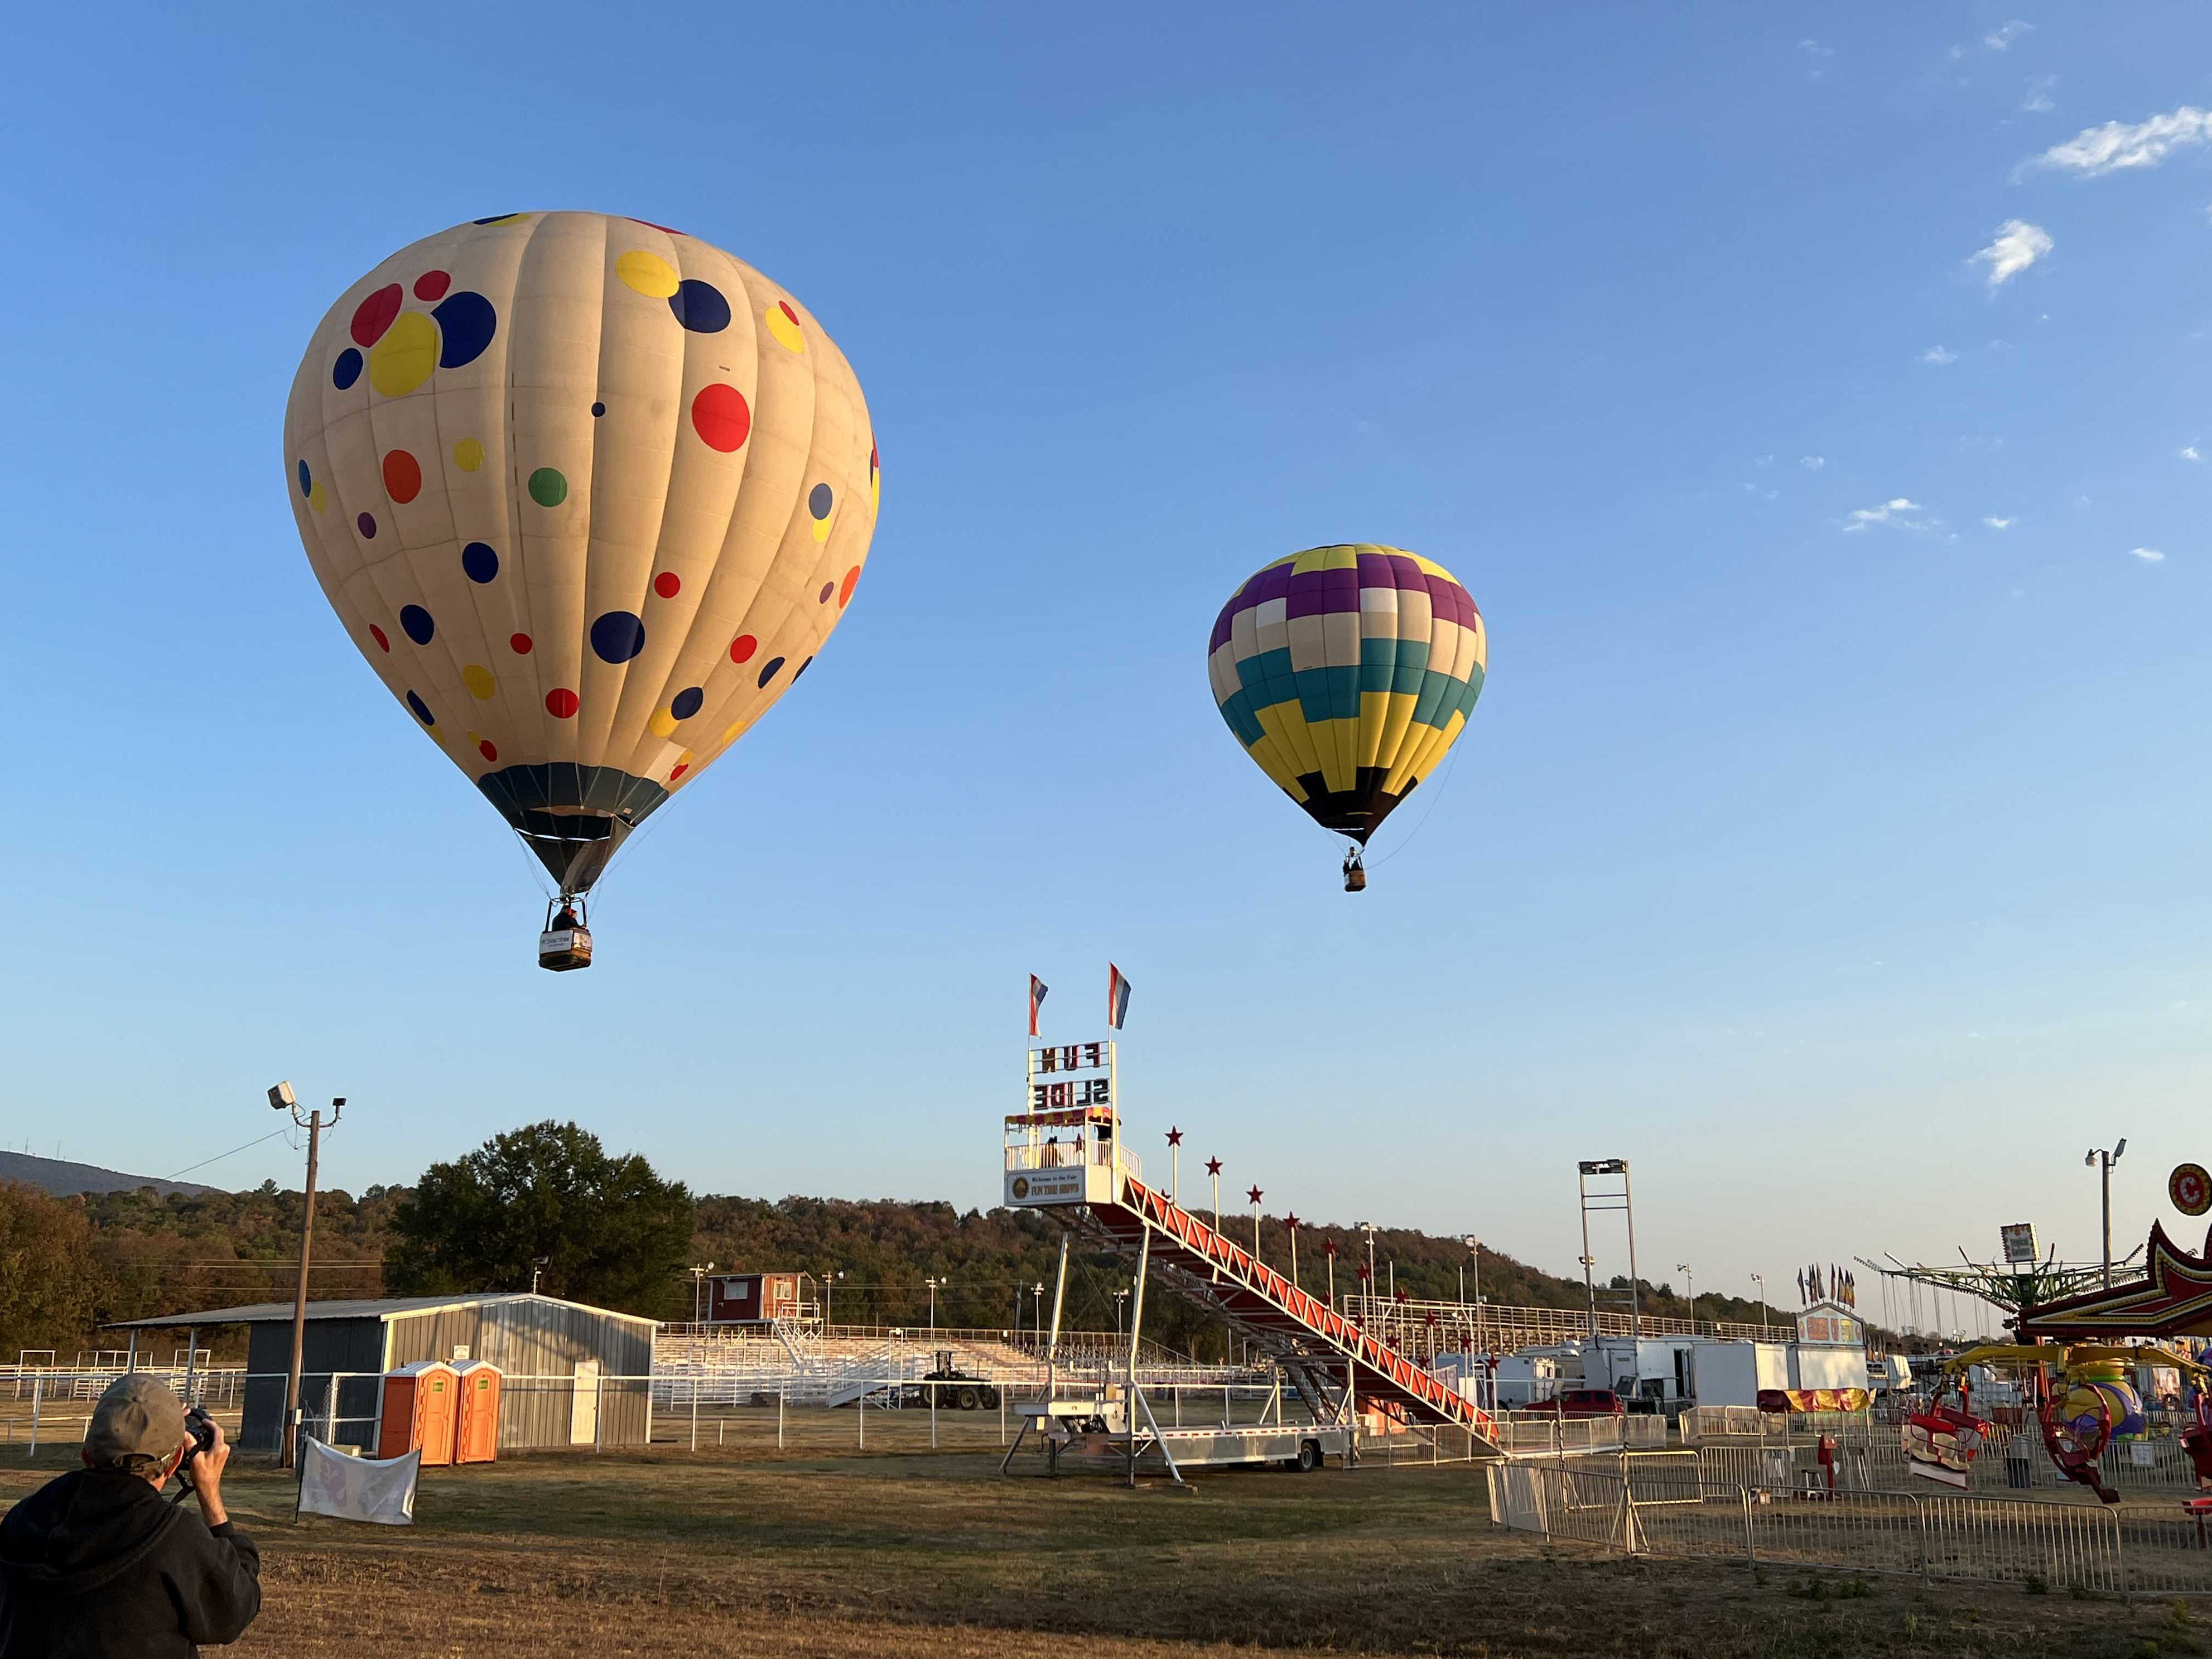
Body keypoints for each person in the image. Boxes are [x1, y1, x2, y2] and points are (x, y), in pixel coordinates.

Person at [0, 1373, 260, 1657]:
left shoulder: (22, 1520)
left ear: (86, 1453)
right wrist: (210, 1493)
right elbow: (234, 1608)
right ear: (174, 1464)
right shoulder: (174, 1538)